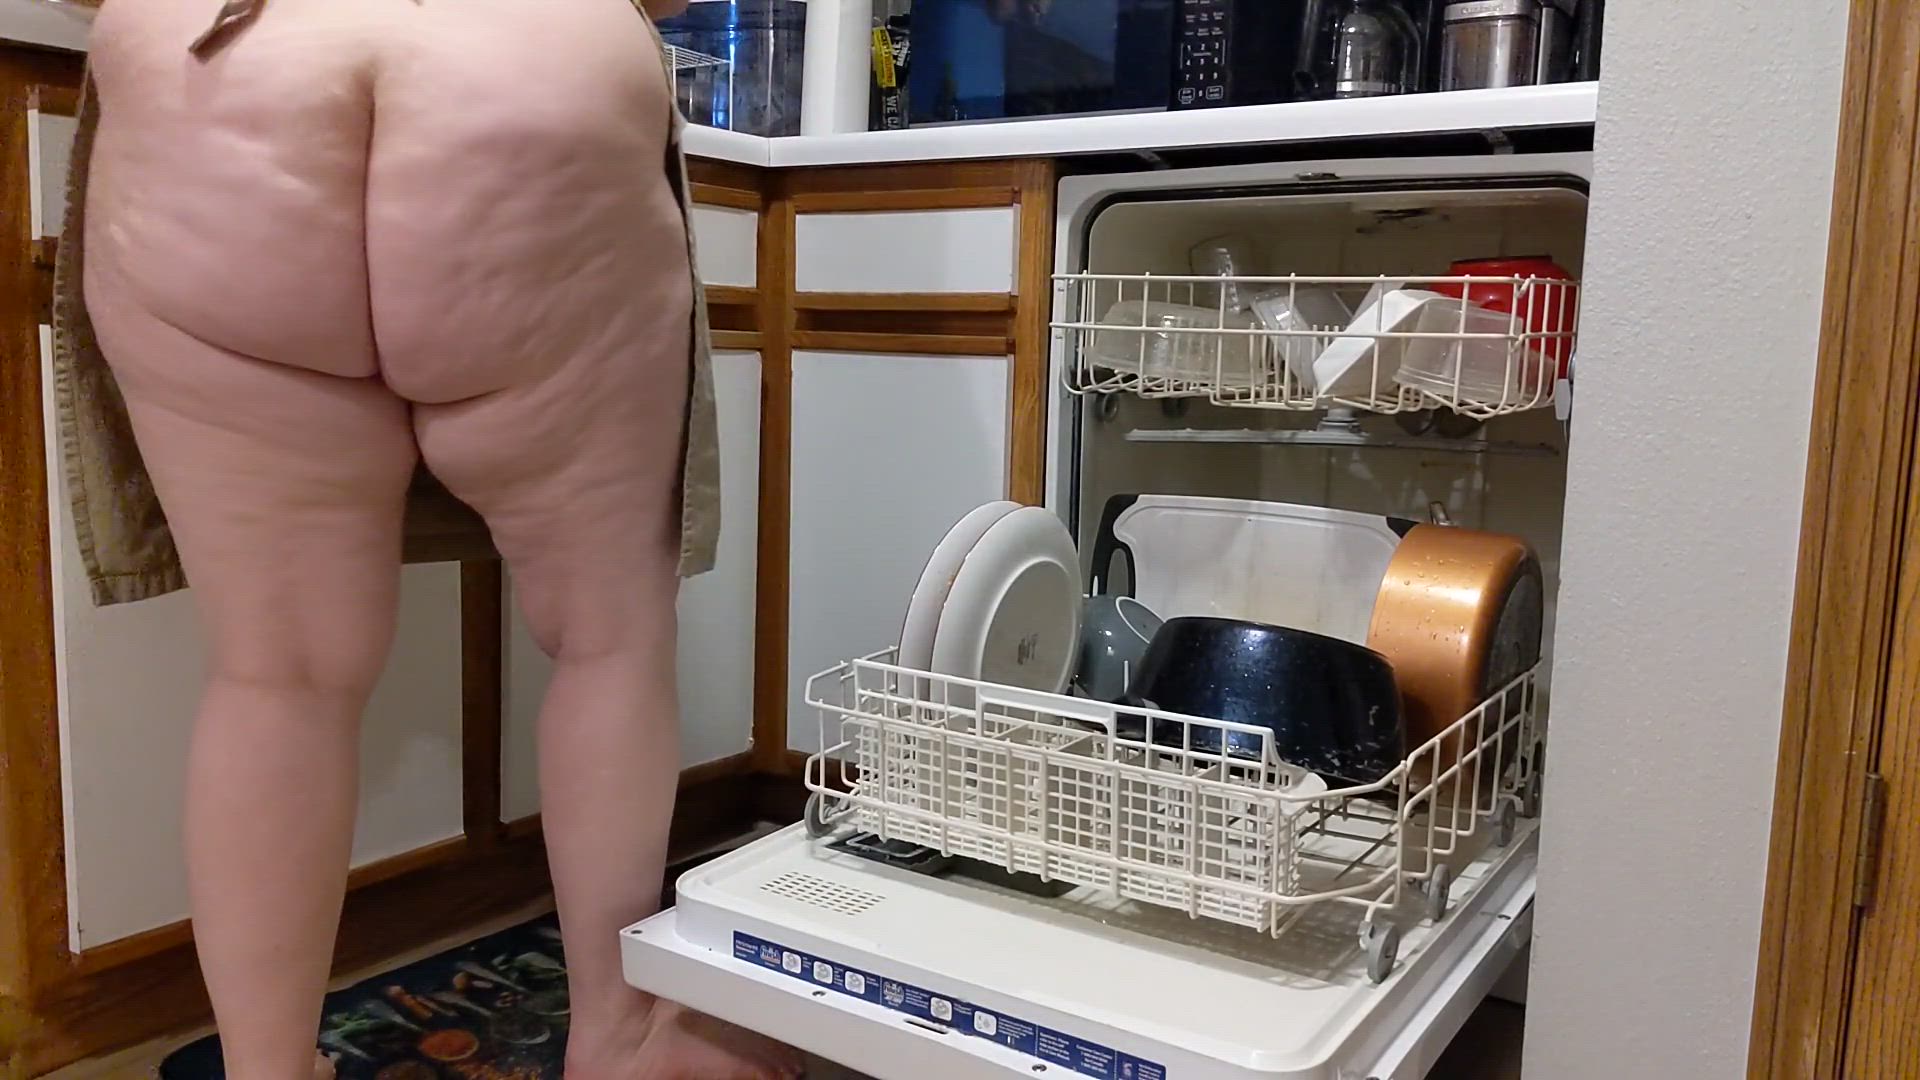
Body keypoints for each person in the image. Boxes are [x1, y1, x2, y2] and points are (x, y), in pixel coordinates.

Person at [76, 1, 799, 1075]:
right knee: (608, 637)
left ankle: (268, 1068)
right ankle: (612, 1036)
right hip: (523, 60)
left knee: (276, 672)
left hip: (220, 77)